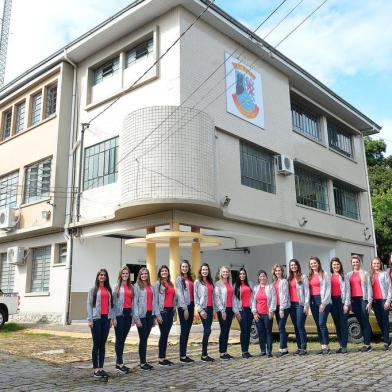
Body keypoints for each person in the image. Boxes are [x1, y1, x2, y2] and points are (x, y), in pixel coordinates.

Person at [87, 268, 115, 380]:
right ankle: (96, 370)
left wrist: (111, 318)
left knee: (103, 344)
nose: (102, 277)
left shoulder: (108, 290)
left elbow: (111, 306)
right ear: (98, 276)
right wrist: (90, 319)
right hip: (96, 318)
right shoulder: (93, 289)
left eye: (104, 275)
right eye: (101, 275)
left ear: (106, 277)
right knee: (96, 344)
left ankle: (101, 368)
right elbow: (89, 305)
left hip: (106, 319)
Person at [347, 255, 373, 352]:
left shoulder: (365, 273)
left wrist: (370, 301)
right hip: (354, 301)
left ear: (359, 262)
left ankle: (367, 345)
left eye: (357, 262)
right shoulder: (349, 275)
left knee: (365, 321)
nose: (355, 263)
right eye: (353, 262)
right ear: (351, 263)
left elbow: (369, 288)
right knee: (360, 321)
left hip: (363, 299)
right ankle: (366, 343)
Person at [133, 267, 156, 370]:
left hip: (150, 315)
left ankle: (144, 361)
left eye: (146, 273)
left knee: (145, 339)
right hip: (141, 316)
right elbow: (135, 304)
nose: (144, 275)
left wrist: (154, 316)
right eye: (142, 274)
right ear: (139, 275)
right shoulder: (137, 287)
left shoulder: (151, 287)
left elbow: (153, 301)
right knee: (143, 339)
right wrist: (136, 318)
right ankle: (142, 363)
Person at [154, 265, 177, 366]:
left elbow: (173, 299)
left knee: (166, 334)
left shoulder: (171, 284)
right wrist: (157, 315)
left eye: (166, 271)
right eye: (162, 271)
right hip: (162, 311)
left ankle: (164, 357)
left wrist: (174, 313)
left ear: (168, 272)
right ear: (160, 273)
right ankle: (160, 358)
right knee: (163, 334)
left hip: (170, 311)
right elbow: (154, 300)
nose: (164, 272)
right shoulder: (157, 284)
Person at [308, 256, 332, 354]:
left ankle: (327, 346)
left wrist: (323, 303)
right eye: (311, 264)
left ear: (318, 263)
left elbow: (328, 290)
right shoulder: (309, 276)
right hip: (313, 301)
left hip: (323, 301)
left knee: (322, 323)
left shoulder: (324, 274)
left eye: (315, 263)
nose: (313, 265)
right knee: (318, 324)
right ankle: (323, 346)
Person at [113, 266, 133, 374]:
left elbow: (133, 302)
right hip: (119, 315)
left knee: (123, 339)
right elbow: (112, 304)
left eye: (126, 274)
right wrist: (113, 317)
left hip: (128, 314)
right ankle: (119, 363)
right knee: (119, 339)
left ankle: (119, 362)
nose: (125, 275)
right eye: (123, 273)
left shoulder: (131, 287)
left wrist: (133, 317)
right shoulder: (116, 286)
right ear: (120, 275)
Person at [214, 265, 238, 360]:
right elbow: (217, 298)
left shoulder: (230, 283)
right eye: (223, 272)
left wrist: (233, 310)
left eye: (227, 272)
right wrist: (222, 310)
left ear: (229, 273)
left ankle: (225, 352)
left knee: (227, 331)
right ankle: (221, 353)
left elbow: (232, 298)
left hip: (230, 309)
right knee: (223, 330)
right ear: (221, 273)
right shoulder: (218, 284)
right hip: (222, 310)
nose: (225, 273)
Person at [251, 270, 276, 358]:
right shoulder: (255, 288)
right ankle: (262, 351)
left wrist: (271, 311)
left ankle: (269, 351)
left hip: (267, 313)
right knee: (261, 333)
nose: (262, 278)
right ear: (258, 278)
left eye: (264, 276)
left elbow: (273, 299)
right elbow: (253, 301)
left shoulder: (270, 287)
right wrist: (254, 312)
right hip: (258, 314)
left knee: (268, 332)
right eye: (260, 276)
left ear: (266, 277)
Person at [194, 262, 215, 362]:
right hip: (203, 309)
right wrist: (200, 310)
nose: (205, 271)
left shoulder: (210, 282)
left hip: (210, 308)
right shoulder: (197, 282)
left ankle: (205, 354)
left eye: (206, 270)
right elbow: (195, 297)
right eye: (203, 270)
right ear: (200, 271)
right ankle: (204, 355)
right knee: (207, 330)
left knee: (208, 330)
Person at [369, 256, 391, 350]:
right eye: (374, 263)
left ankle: (386, 341)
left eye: (377, 263)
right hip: (375, 301)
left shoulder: (384, 274)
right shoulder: (369, 275)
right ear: (372, 265)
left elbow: (389, 287)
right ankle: (387, 337)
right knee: (379, 320)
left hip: (383, 300)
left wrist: (388, 300)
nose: (376, 265)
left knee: (385, 320)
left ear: (380, 264)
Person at [288, 259, 309, 355]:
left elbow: (307, 291)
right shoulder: (289, 278)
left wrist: (306, 305)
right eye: (291, 265)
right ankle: (299, 347)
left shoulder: (303, 277)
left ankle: (304, 347)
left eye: (295, 265)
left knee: (300, 325)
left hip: (300, 304)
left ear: (298, 266)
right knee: (296, 326)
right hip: (292, 305)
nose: (293, 267)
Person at [329, 257, 350, 354]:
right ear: (331, 266)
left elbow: (348, 291)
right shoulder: (328, 277)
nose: (336, 266)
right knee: (337, 324)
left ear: (340, 265)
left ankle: (344, 346)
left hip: (342, 302)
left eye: (337, 264)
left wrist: (346, 304)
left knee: (343, 324)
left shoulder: (344, 276)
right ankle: (341, 345)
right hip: (333, 302)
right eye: (334, 265)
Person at [176, 260, 195, 364]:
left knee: (187, 331)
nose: (184, 268)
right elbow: (180, 294)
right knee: (184, 331)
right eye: (183, 267)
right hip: (184, 307)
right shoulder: (179, 279)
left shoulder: (191, 278)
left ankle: (184, 355)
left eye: (186, 267)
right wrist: (185, 308)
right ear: (180, 268)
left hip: (191, 305)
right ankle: (182, 356)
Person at [233, 267, 254, 358]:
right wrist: (237, 313)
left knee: (248, 330)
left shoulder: (250, 284)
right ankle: (243, 351)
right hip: (241, 310)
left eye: (243, 274)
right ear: (238, 275)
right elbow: (233, 301)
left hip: (249, 310)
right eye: (240, 274)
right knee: (244, 330)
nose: (242, 275)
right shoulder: (235, 286)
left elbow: (253, 297)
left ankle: (247, 350)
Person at [271, 264, 290, 357]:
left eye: (279, 270)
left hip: (284, 307)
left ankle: (282, 349)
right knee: (281, 327)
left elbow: (285, 296)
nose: (278, 272)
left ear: (282, 271)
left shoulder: (284, 281)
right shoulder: (274, 282)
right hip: (276, 307)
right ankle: (285, 348)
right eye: (276, 271)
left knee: (281, 327)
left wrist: (282, 309)